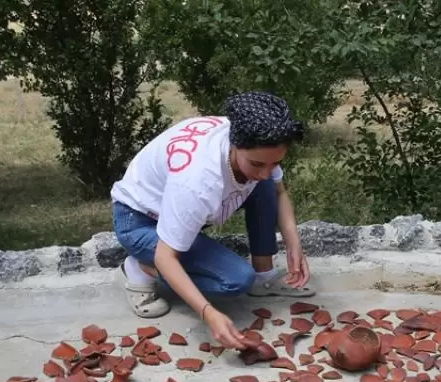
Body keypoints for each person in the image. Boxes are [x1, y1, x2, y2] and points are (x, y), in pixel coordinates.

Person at [110, 90, 314, 350]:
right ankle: (140, 268)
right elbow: (166, 256)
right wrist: (208, 313)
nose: (266, 171)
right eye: (257, 164)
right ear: (235, 144)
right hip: (139, 221)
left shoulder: (257, 135)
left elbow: (278, 191)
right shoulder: (198, 181)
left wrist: (294, 243)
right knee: (236, 279)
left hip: (175, 206)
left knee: (263, 185)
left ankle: (264, 275)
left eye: (275, 163)